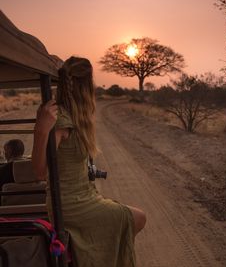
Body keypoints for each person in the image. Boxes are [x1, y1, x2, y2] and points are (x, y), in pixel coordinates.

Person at [32, 56, 146, 267]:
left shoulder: (76, 116)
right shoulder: (61, 121)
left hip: (85, 196)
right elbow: (39, 173)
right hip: (70, 204)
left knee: (127, 217)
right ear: (86, 86)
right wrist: (40, 130)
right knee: (137, 218)